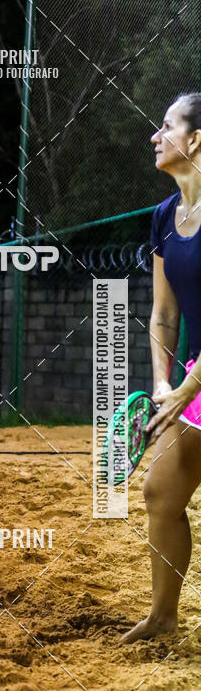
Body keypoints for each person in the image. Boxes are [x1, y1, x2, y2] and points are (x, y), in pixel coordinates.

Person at [121, 93, 201, 643]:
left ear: (195, 139)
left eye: (166, 126)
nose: (155, 136)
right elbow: (163, 313)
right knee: (161, 493)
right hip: (198, 377)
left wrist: (189, 385)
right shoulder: (162, 218)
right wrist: (161, 382)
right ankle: (163, 620)